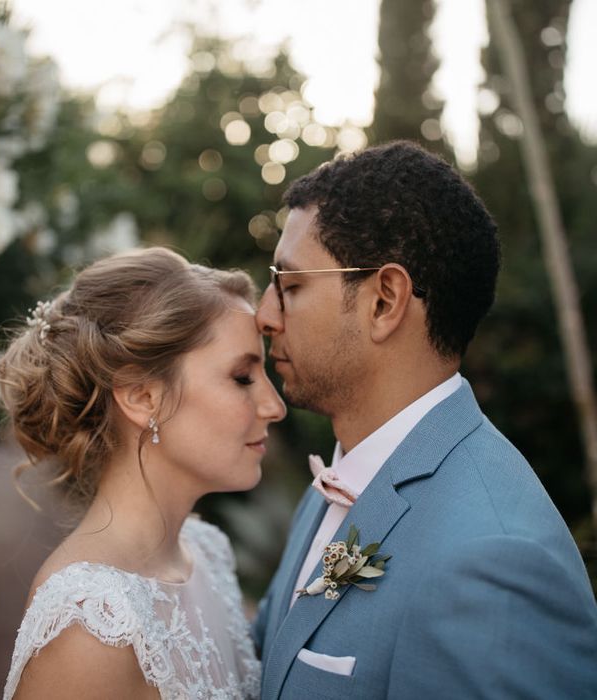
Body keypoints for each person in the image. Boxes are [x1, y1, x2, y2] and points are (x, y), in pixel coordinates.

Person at [253, 140, 597, 699]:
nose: (265, 316)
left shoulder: (493, 562)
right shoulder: (333, 486)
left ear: (384, 301)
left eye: (290, 286)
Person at [0, 247, 285, 699]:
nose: (275, 406)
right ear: (141, 396)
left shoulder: (208, 553)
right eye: (243, 377)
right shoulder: (89, 623)